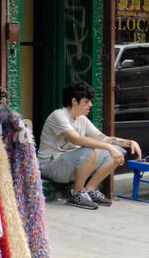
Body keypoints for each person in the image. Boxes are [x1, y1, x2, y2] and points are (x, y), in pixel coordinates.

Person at [38, 81, 142, 209]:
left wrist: (129, 142)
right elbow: (76, 140)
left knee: (117, 151)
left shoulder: (82, 119)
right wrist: (109, 147)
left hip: (71, 163)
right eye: (86, 102)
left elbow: (103, 138)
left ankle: (88, 190)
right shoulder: (58, 116)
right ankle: (76, 194)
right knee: (90, 150)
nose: (90, 105)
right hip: (51, 166)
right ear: (74, 101)